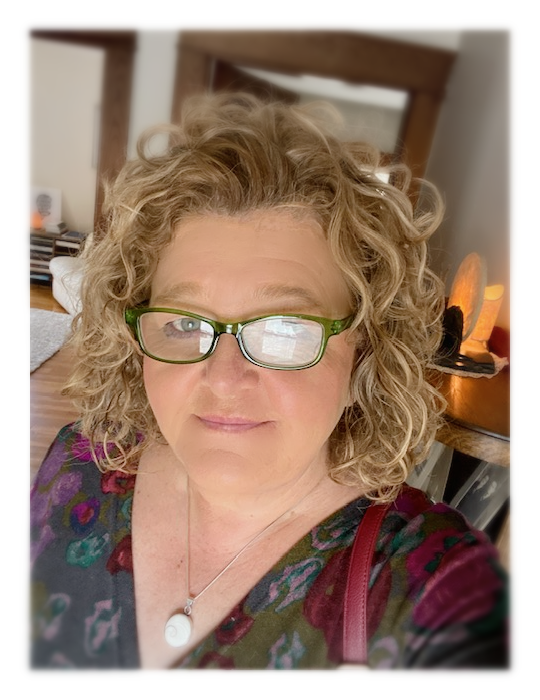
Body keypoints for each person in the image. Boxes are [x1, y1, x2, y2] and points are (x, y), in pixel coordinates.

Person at [30, 93, 508, 670]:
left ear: (364, 345)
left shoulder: (431, 586)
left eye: (285, 328)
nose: (225, 379)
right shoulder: (78, 464)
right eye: (184, 321)